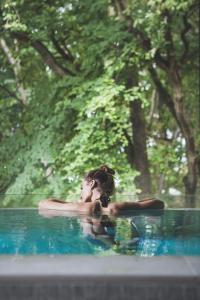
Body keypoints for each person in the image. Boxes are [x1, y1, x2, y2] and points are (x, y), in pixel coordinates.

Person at [38, 165, 164, 215]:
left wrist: (81, 202)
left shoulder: (84, 208)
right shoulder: (116, 207)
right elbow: (159, 203)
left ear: (91, 184)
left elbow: (43, 204)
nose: (81, 192)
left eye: (82, 188)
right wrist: (136, 204)